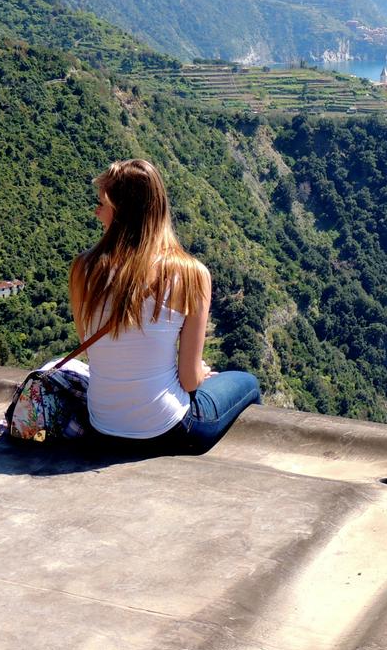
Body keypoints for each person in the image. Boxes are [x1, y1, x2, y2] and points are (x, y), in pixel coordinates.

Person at [68, 159, 260, 451]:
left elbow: (97, 350)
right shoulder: (190, 273)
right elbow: (190, 381)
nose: (97, 212)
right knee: (247, 382)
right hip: (169, 429)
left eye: (103, 204)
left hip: (102, 425)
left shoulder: (83, 269)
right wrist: (200, 373)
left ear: (121, 213)